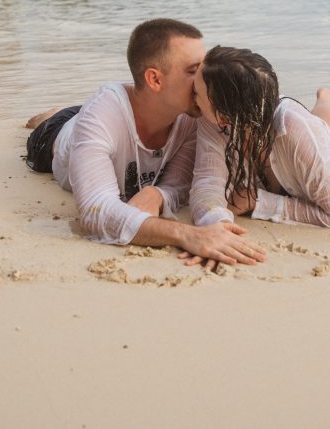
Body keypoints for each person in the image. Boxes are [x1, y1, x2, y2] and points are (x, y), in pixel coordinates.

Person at [25, 19, 267, 267]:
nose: (205, 79)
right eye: (193, 70)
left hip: (138, 106)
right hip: (56, 136)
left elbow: (181, 181)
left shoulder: (196, 112)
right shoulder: (101, 116)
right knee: (56, 120)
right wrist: (187, 235)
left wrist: (157, 194)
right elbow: (95, 210)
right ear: (155, 79)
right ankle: (54, 113)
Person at [189, 45, 330, 234]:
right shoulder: (212, 120)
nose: (192, 98)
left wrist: (257, 201)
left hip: (302, 132)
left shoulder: (300, 133)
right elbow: (208, 180)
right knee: (318, 126)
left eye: (196, 93)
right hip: (263, 118)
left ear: (224, 117)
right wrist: (217, 221)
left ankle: (324, 96)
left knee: (327, 128)